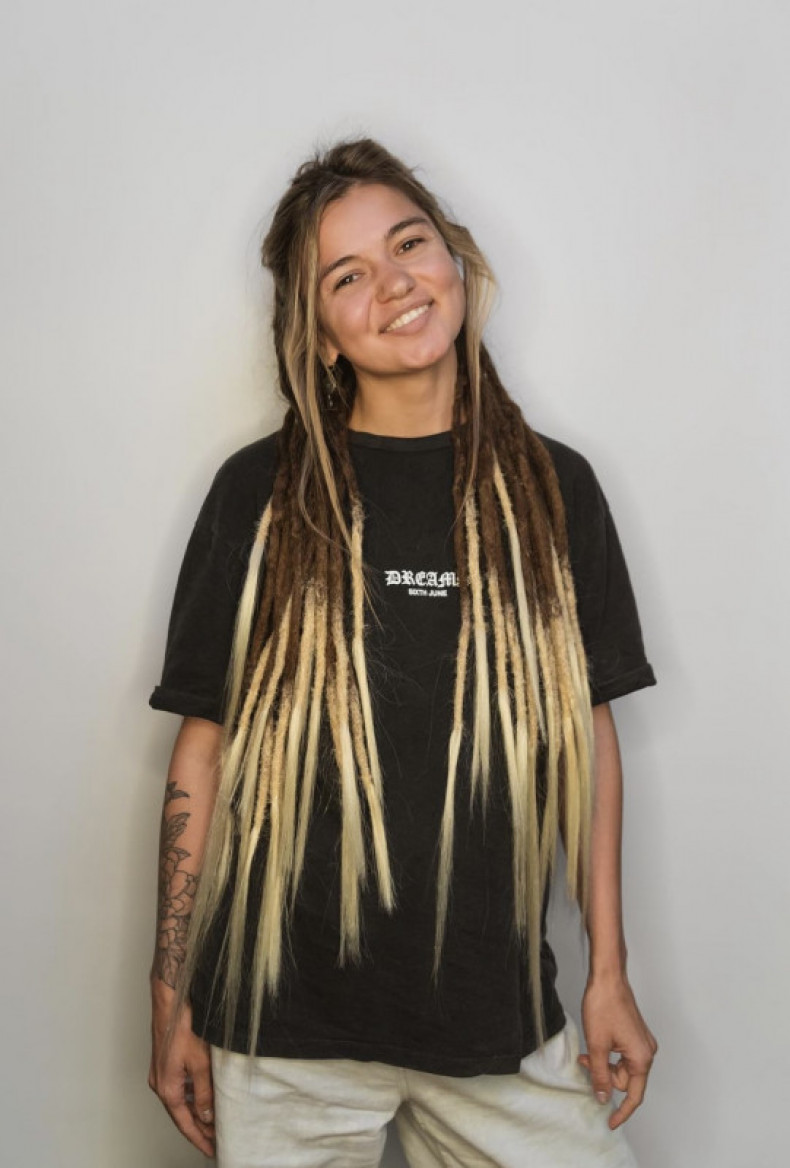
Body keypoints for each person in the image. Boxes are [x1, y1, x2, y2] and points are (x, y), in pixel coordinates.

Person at [147, 137, 658, 1167]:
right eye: (346, 276)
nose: (392, 285)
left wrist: (608, 973)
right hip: (281, 1035)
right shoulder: (259, 494)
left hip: (494, 1021)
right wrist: (168, 1002)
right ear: (319, 335)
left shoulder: (554, 490)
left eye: (408, 244)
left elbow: (588, 737)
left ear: (452, 259)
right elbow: (203, 751)